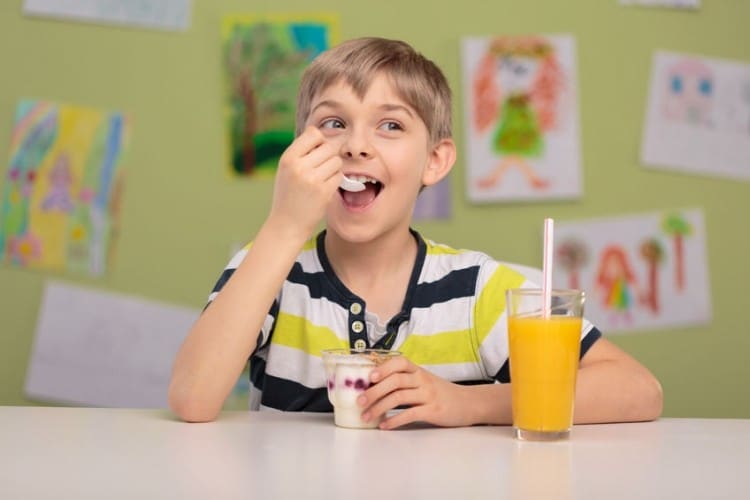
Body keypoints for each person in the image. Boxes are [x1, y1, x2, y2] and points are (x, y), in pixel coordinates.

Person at [168, 37, 663, 428]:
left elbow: (639, 390)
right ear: (302, 149)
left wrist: (467, 405)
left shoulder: (477, 290)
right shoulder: (270, 268)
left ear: (434, 160)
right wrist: (284, 225)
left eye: (390, 126)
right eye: (334, 122)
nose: (356, 145)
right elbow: (192, 399)